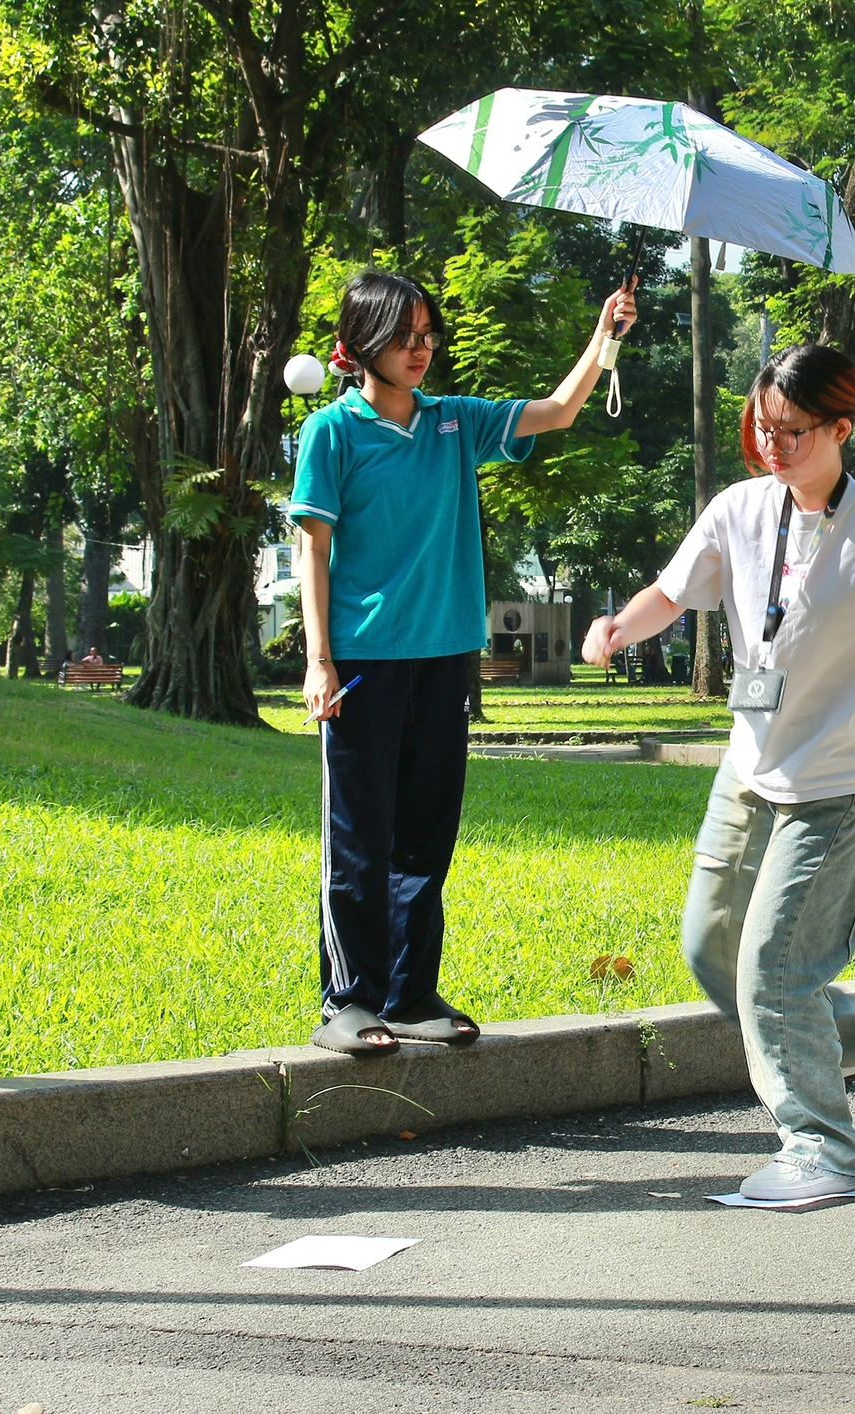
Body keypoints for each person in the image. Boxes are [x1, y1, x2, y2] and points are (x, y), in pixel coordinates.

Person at [582, 344, 855, 1202]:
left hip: (835, 784)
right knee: (709, 944)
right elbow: (671, 592)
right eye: (762, 428)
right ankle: (834, 1025)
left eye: (792, 432)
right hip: (748, 769)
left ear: (841, 429)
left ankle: (824, 1150)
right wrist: (619, 626)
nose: (772, 446)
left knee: (772, 968)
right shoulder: (739, 510)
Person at [290, 267, 636, 1057]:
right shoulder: (331, 433)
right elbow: (312, 551)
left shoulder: (455, 422)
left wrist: (604, 338)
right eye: (402, 337)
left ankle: (410, 996)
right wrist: (319, 661)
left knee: (426, 835)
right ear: (358, 346)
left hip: (446, 660)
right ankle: (348, 1001)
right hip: (363, 662)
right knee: (360, 838)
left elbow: (557, 410)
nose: (420, 349)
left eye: (426, 335)